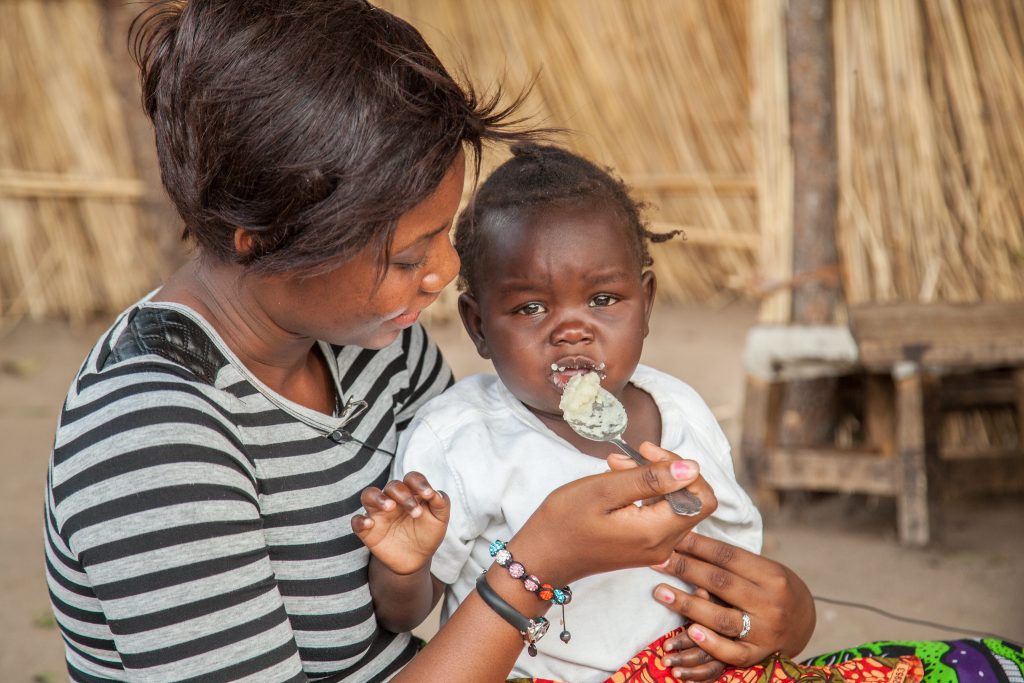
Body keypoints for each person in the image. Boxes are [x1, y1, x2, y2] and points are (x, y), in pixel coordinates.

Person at [41, 2, 735, 682]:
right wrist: (534, 567)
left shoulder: (381, 346)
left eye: (442, 234)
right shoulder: (152, 439)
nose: (445, 272)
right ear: (259, 240)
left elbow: (440, 562)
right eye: (407, 258)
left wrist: (765, 610)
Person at [380, 143, 760, 683]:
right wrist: (404, 565)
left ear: (646, 303)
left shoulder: (680, 410)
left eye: (603, 299)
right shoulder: (461, 438)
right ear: (479, 326)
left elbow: (735, 555)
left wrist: (722, 630)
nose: (572, 329)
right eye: (531, 308)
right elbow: (405, 613)